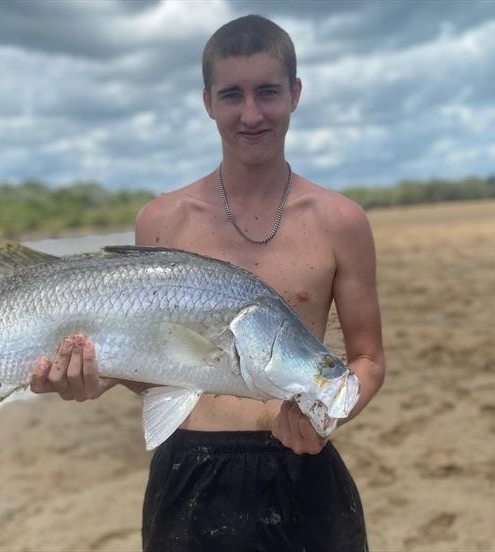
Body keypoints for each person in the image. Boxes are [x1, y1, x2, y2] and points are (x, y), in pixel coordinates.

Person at [30, 14, 384, 551]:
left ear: (295, 93)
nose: (250, 114)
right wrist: (91, 379)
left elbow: (368, 359)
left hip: (304, 469)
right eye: (231, 95)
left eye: (267, 92)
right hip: (190, 471)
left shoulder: (340, 221)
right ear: (207, 102)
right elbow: (151, 363)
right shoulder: (164, 219)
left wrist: (328, 416)